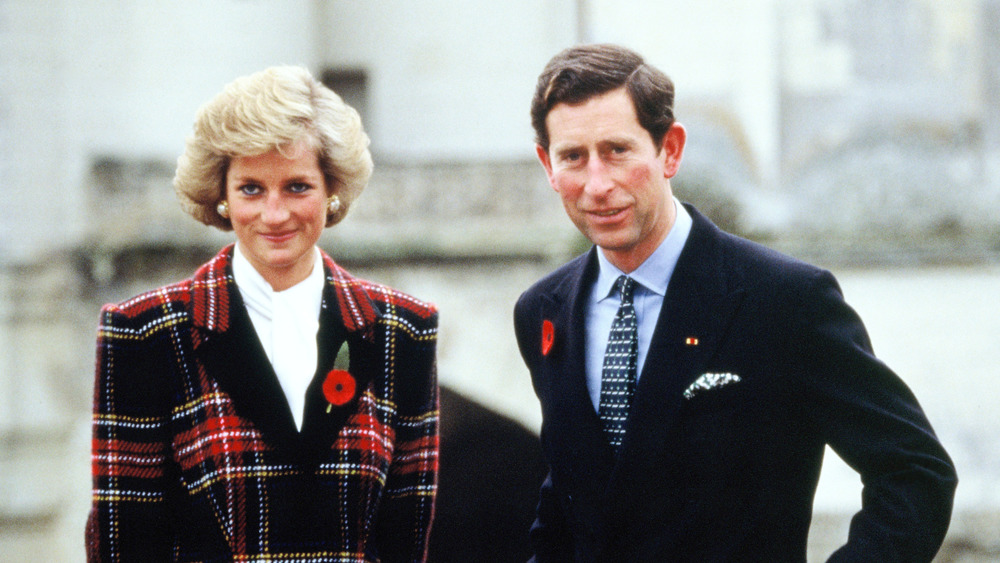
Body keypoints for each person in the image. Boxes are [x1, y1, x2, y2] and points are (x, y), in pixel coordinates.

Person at [513, 44, 957, 562]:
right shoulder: (541, 312)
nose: (597, 184)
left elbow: (915, 472)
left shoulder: (784, 301)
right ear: (547, 164)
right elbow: (572, 504)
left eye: (617, 150)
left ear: (670, 150)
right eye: (573, 157)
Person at [85, 66, 439, 562]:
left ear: (332, 188)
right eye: (251, 188)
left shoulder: (402, 330)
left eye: (297, 186)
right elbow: (126, 543)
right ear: (222, 196)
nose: (275, 214)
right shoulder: (146, 332)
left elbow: (407, 539)